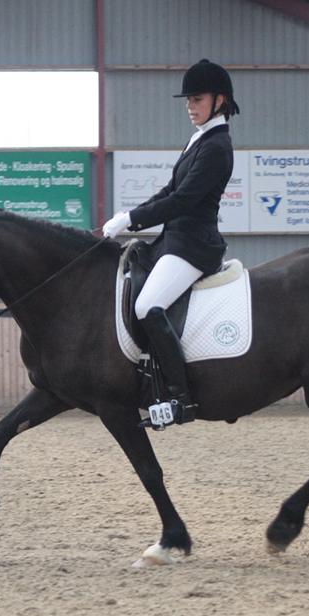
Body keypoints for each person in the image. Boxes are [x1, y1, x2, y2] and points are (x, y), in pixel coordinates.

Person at [102, 58, 239, 428]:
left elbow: (183, 202)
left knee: (148, 305)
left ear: (219, 100)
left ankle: (181, 399)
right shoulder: (199, 139)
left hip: (194, 246)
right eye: (188, 100)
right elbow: (169, 190)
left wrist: (132, 221)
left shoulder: (217, 146)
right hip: (174, 241)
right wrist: (130, 213)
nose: (190, 106)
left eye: (197, 99)